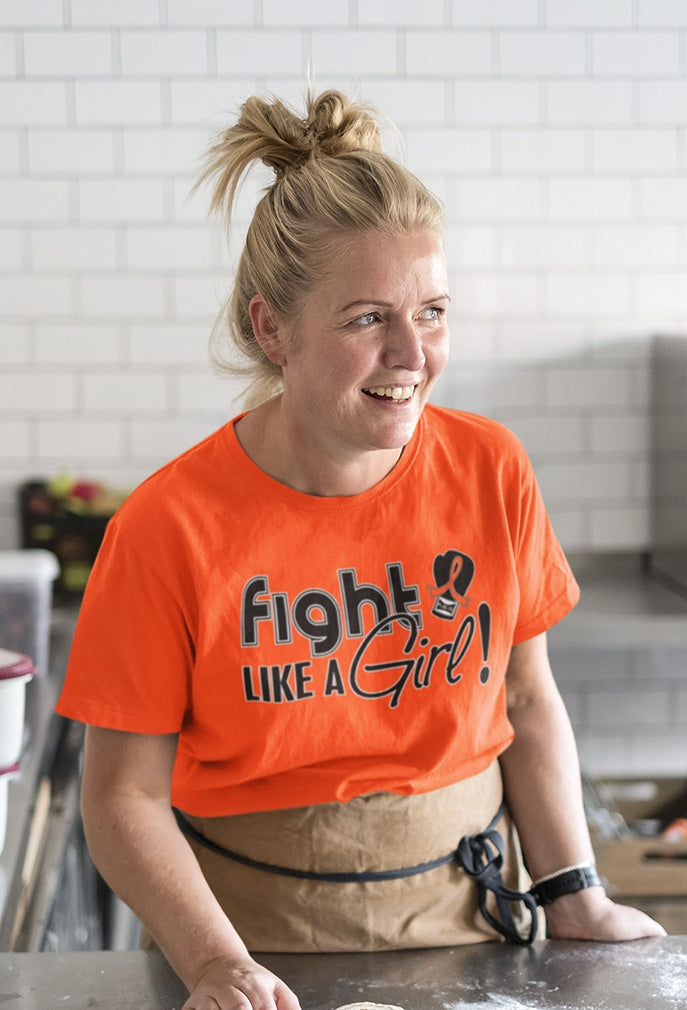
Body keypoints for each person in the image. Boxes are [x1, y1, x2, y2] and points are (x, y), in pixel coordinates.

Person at [56, 89, 664, 1010]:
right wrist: (218, 967)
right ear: (271, 329)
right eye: (366, 318)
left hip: (472, 931)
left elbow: (527, 697)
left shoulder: (490, 468)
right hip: (251, 949)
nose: (409, 354)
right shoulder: (166, 528)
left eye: (431, 312)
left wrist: (571, 890)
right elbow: (120, 801)